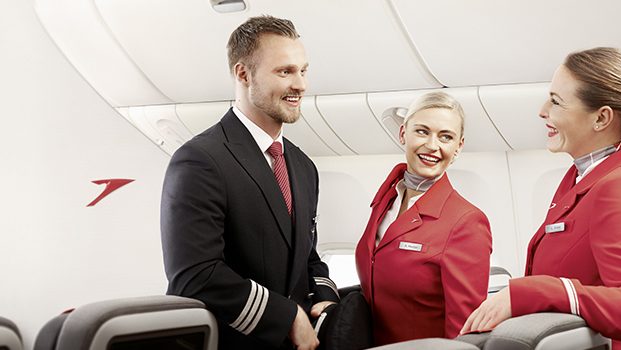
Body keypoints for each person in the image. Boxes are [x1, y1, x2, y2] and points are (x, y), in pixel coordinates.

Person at [460, 47, 621, 349]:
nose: (543, 110)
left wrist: (536, 292)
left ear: (601, 118)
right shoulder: (581, 175)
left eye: (556, 101)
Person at [160, 15, 339, 350]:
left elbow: (306, 255)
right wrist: (287, 317)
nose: (300, 84)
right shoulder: (201, 160)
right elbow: (196, 276)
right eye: (285, 71)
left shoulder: (302, 166)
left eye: (303, 70)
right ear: (243, 74)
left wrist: (326, 299)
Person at [355, 92, 493, 346]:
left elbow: (464, 333)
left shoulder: (466, 222)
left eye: (446, 137)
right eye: (422, 131)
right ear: (402, 134)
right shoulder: (385, 201)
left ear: (458, 146)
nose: (432, 145)